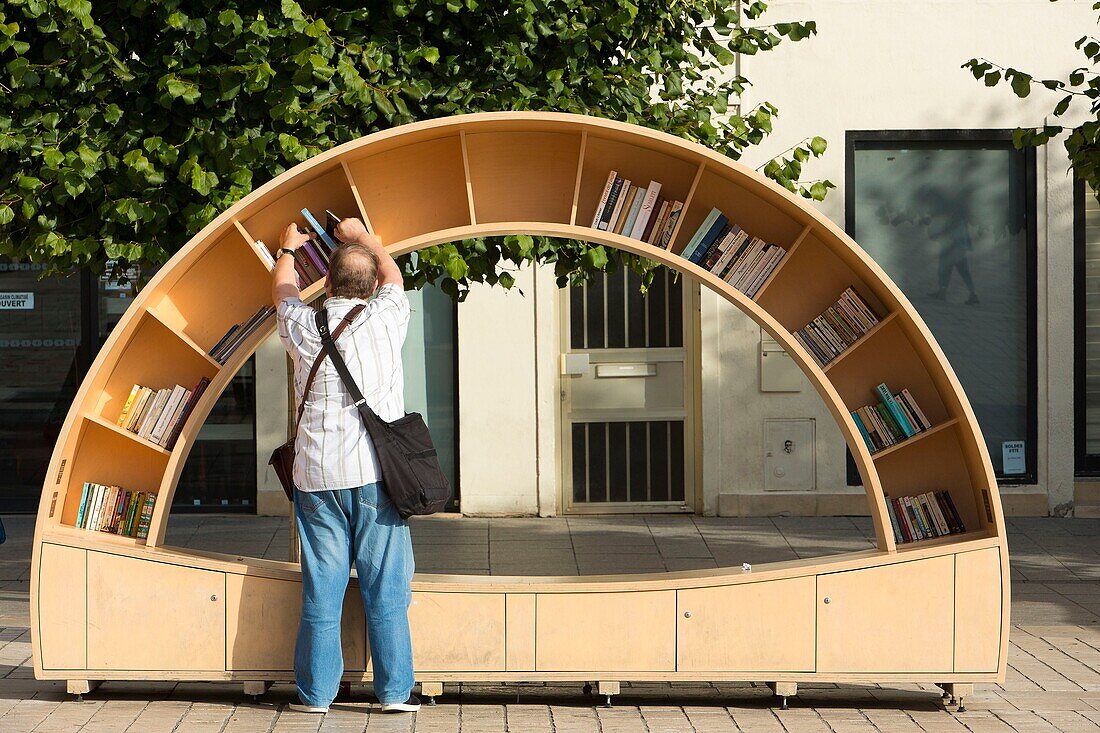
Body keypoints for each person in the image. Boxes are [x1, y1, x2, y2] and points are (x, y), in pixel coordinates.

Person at [271, 217, 419, 714]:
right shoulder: (385, 317)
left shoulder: (301, 327)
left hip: (316, 480)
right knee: (387, 590)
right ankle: (395, 693)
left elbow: (284, 291)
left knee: (322, 592)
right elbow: (395, 277)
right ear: (372, 284)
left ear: (328, 284)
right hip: (375, 478)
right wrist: (361, 237)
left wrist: (288, 249)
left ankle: (315, 696)